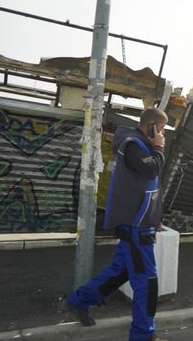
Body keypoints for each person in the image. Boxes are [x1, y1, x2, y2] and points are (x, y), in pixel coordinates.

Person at [62, 107, 169, 341]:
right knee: (146, 283)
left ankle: (79, 301)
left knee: (120, 272)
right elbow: (151, 169)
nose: (162, 134)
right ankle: (142, 335)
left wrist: (155, 216)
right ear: (150, 125)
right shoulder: (133, 145)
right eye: (160, 129)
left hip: (139, 222)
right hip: (135, 226)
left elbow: (146, 186)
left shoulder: (141, 145)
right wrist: (159, 147)